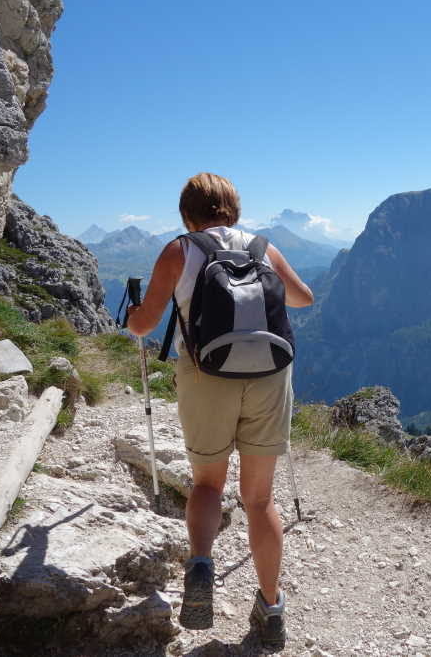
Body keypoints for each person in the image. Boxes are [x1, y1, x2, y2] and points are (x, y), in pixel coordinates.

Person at [126, 172, 313, 650]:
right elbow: (302, 297)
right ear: (235, 209)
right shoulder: (262, 247)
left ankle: (202, 564)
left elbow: (144, 326)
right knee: (259, 499)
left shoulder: (179, 249)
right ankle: (271, 607)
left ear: (188, 213)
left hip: (207, 377)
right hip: (270, 376)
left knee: (208, 483)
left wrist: (132, 317)